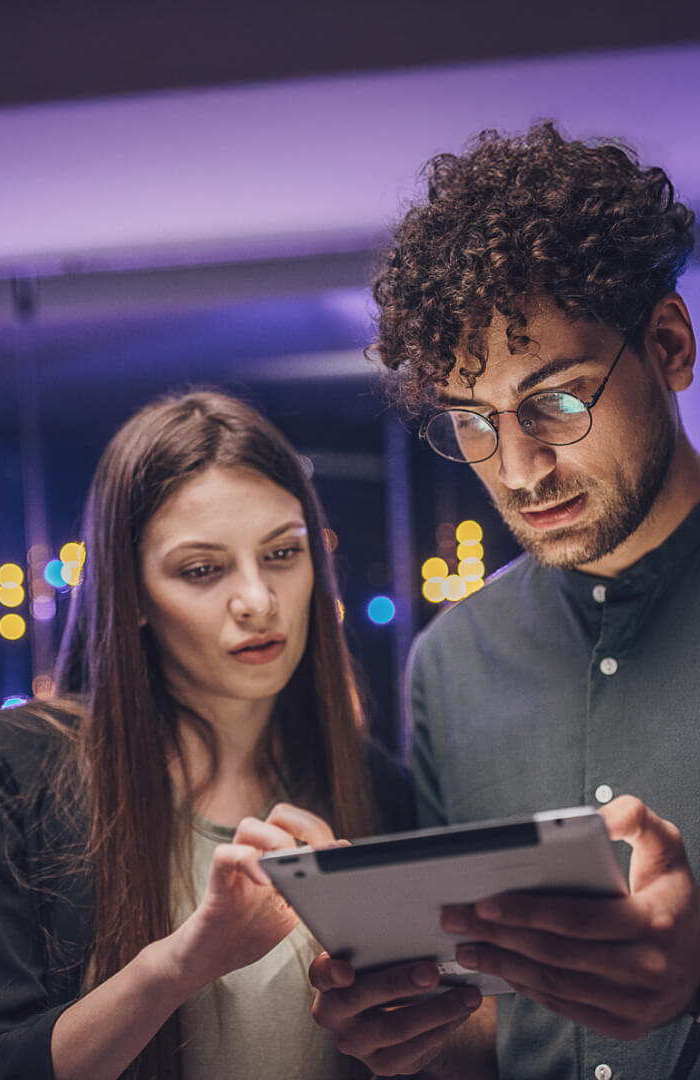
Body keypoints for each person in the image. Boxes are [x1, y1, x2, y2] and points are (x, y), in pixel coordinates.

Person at [310, 122, 700, 1079]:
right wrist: (407, 1030)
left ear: (669, 344)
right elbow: (495, 1023)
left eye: (557, 401)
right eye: (472, 423)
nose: (519, 469)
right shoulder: (450, 660)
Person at [0, 391, 412, 1080]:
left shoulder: (374, 785)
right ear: (136, 598)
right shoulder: (25, 765)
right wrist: (180, 965)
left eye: (281, 553)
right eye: (203, 570)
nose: (257, 599)